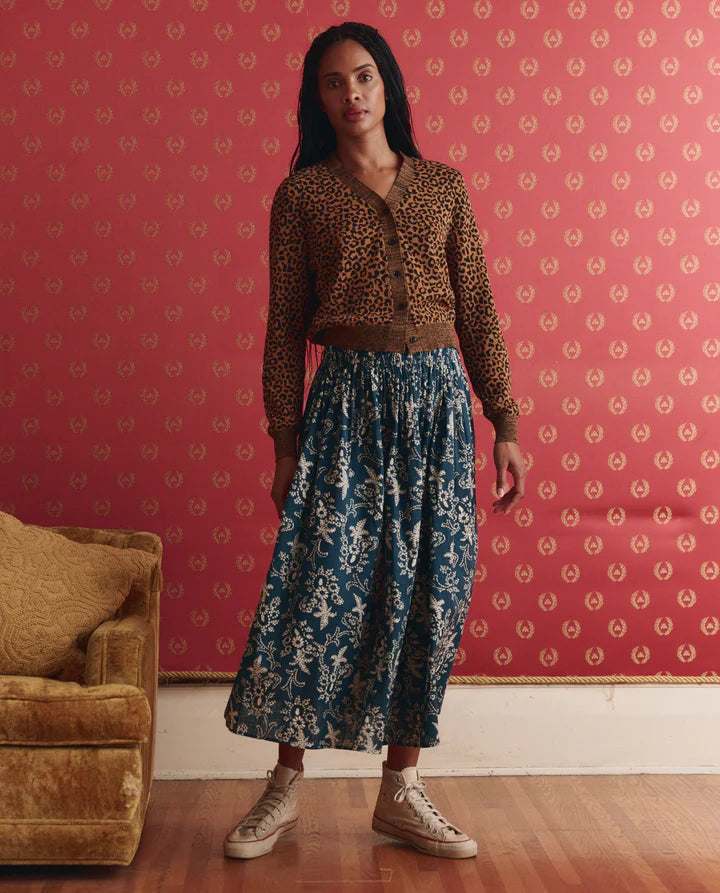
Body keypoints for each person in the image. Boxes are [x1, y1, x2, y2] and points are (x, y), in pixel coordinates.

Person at [223, 21, 526, 861]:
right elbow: (284, 329)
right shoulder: (303, 197)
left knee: (432, 590)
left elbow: (478, 309)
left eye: (363, 77)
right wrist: (284, 443)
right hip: (346, 408)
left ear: (387, 85)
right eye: (332, 82)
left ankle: (402, 788)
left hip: (437, 411)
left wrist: (506, 420)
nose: (351, 94)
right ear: (316, 100)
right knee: (315, 589)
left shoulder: (444, 187)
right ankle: (284, 786)